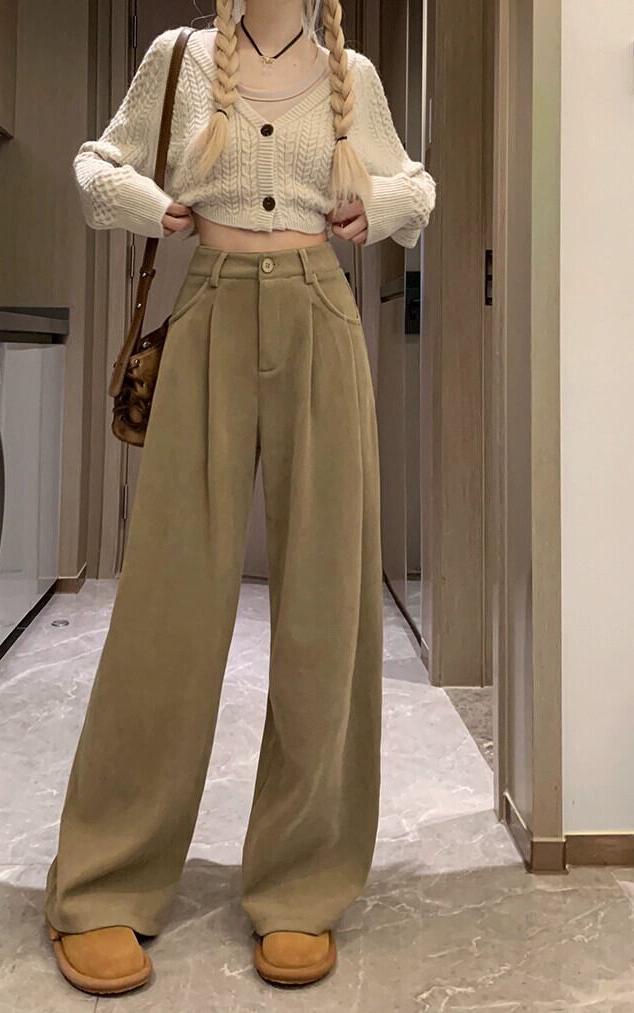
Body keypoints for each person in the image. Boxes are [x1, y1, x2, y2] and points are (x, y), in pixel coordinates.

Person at [44, 0, 436, 996]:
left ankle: (303, 881)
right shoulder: (176, 59)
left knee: (325, 606)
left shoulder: (352, 74)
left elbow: (416, 183)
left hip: (321, 317)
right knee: (166, 604)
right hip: (210, 311)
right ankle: (104, 879)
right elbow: (94, 165)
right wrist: (153, 206)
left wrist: (379, 210)